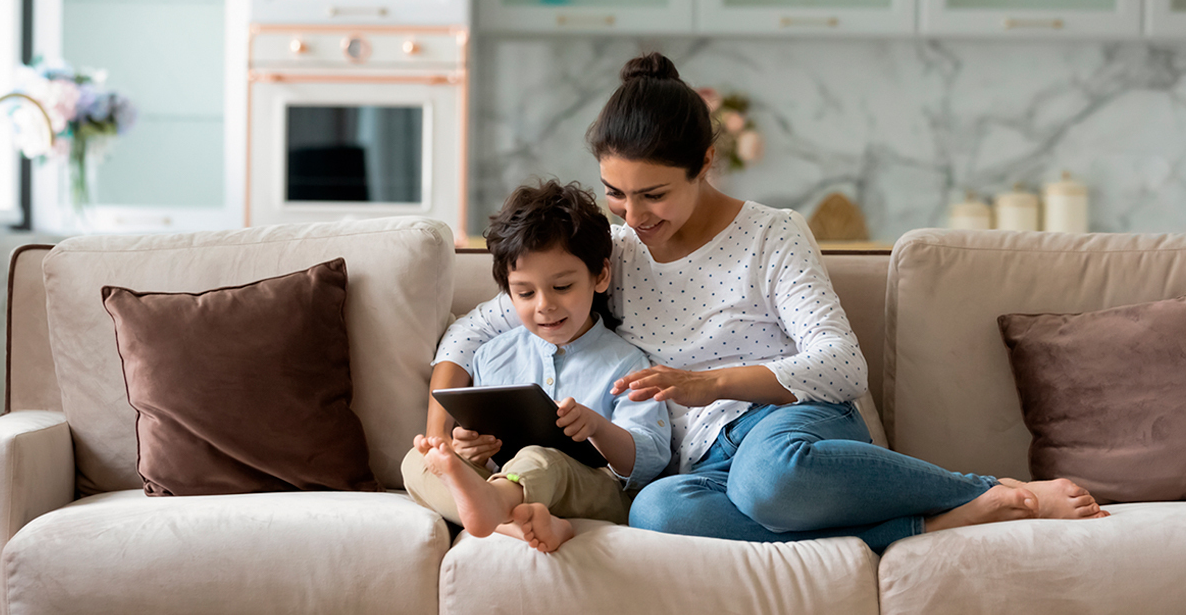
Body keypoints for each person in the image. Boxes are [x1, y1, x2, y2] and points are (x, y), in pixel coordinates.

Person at [429, 52, 1108, 554]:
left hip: (788, 428)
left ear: (706, 161)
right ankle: (928, 525)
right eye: (616, 192)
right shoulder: (607, 253)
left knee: (769, 481)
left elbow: (842, 366)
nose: (633, 215)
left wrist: (710, 384)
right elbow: (469, 334)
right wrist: (442, 430)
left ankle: (980, 485)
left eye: (654, 194)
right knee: (657, 516)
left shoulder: (772, 233)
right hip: (699, 466)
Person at [402, 179, 670, 553]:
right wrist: (468, 449)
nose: (544, 305)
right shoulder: (492, 355)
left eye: (562, 287)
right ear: (509, 292)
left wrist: (597, 427)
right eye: (525, 293)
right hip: (506, 481)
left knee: (542, 459)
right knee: (418, 461)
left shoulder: (627, 362)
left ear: (600, 276)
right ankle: (517, 523)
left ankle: (496, 511)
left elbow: (650, 459)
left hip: (593, 490)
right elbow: (480, 442)